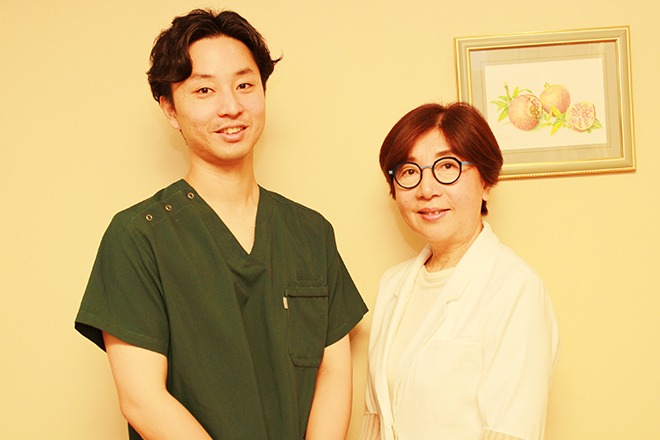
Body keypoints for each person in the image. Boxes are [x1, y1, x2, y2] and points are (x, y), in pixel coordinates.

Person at [75, 9, 367, 440]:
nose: (231, 107)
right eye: (204, 90)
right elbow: (142, 399)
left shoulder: (310, 232)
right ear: (170, 109)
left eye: (244, 85)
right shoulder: (138, 236)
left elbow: (333, 371)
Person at [360, 102, 560, 440]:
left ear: (486, 181)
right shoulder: (393, 284)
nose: (427, 190)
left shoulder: (515, 288)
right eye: (409, 171)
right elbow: (377, 421)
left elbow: (510, 431)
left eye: (447, 167)